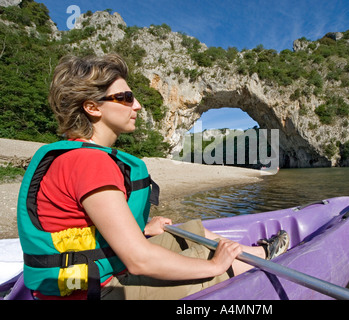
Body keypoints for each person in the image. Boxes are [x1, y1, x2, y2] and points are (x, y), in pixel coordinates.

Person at [17, 53, 289, 300]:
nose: (137, 105)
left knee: (189, 231)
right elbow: (139, 261)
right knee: (215, 263)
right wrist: (214, 265)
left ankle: (262, 253)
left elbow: (83, 223)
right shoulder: (89, 163)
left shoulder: (79, 155)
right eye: (124, 98)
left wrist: (144, 229)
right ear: (93, 108)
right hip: (94, 290)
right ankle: (267, 259)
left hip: (93, 273)